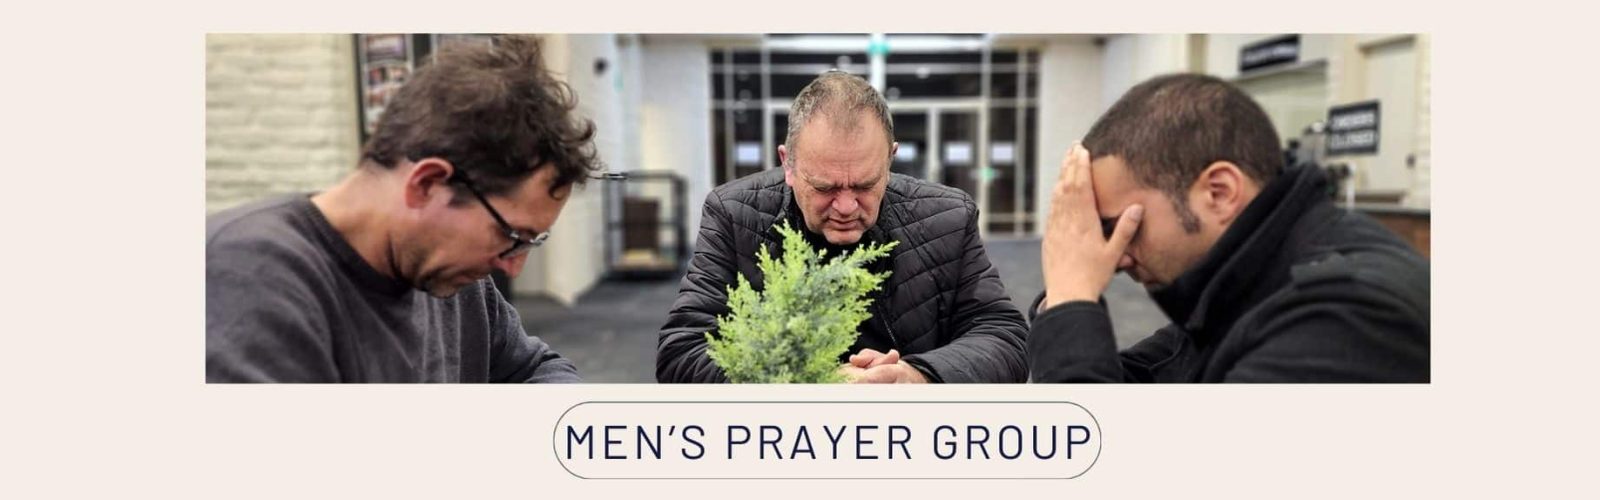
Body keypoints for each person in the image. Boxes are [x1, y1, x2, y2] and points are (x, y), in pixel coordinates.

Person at [207, 35, 605, 383]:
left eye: (528, 243)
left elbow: (536, 368)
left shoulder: (453, 277)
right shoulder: (248, 279)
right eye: (510, 236)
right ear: (427, 184)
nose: (511, 266)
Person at [1032, 73, 1429, 383]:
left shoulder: (1348, 316)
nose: (1115, 256)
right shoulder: (1248, 285)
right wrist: (1066, 301)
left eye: (1124, 227)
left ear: (1219, 193)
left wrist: (1072, 295)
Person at [658, 71, 1029, 383]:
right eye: (824, 187)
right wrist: (814, 384)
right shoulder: (734, 214)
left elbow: (1004, 337)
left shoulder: (948, 216)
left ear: (891, 159)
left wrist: (918, 377)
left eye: (866, 184)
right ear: (788, 164)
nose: (847, 207)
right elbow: (682, 351)